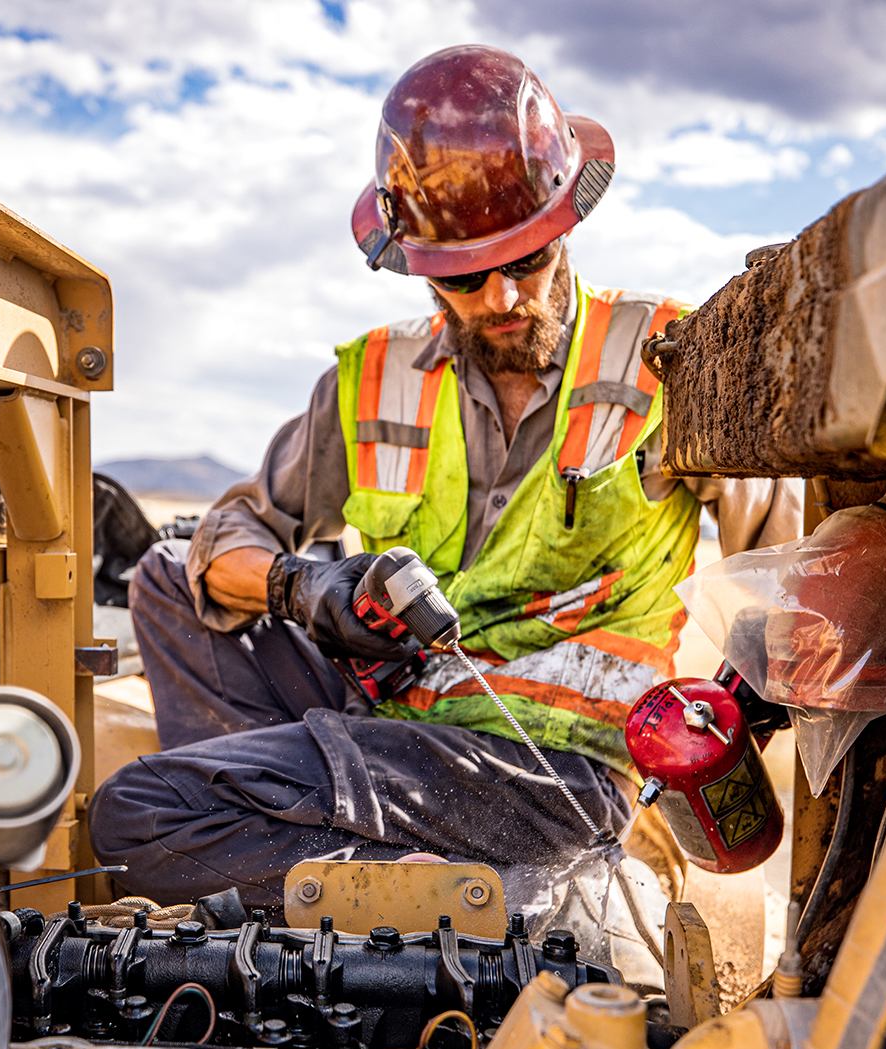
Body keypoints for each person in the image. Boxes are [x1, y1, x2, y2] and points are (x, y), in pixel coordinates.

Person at [89, 45, 802, 910]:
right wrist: (307, 588)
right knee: (168, 578)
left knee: (141, 815)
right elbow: (229, 537)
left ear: (566, 222)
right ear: (418, 266)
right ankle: (367, 856)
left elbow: (785, 579)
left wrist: (728, 723)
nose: (502, 298)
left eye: (528, 262)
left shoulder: (668, 358)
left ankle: (358, 873)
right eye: (466, 277)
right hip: (396, 718)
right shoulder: (372, 377)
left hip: (553, 765)